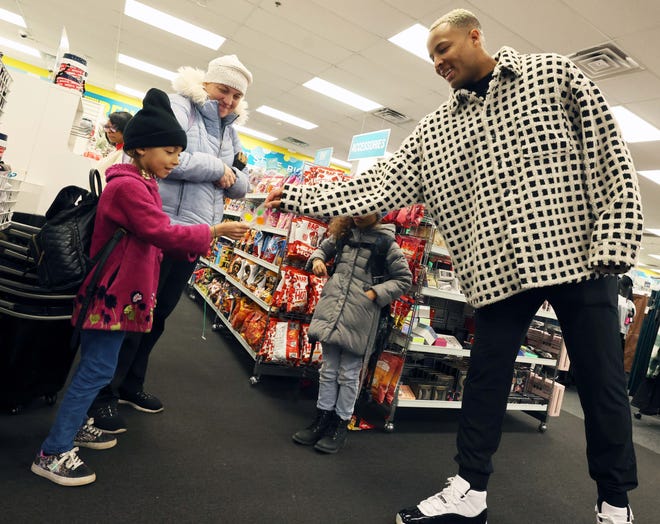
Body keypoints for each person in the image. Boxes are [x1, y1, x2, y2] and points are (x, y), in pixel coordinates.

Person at [266, 8, 643, 524]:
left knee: (602, 385)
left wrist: (615, 240)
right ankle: (469, 493)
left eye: (443, 49)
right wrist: (294, 196)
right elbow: (377, 185)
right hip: (498, 273)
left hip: (577, 258)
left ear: (475, 35)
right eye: (431, 57)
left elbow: (608, 151)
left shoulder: (553, 73)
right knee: (485, 381)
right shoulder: (436, 130)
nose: (437, 62)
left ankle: (615, 505)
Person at [30, 88, 250, 487]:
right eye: (169, 150)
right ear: (142, 148)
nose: (176, 160)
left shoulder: (141, 181)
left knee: (99, 369)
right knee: (95, 370)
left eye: (178, 152)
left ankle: (74, 429)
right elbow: (160, 230)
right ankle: (53, 452)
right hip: (110, 298)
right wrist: (212, 229)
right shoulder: (130, 187)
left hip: (119, 296)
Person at [88, 55, 253, 433]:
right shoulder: (181, 107)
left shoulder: (230, 130)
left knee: (157, 316)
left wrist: (231, 175)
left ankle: (131, 384)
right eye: (223, 90)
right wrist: (218, 170)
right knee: (132, 312)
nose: (228, 100)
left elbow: (241, 181)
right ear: (207, 84)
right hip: (161, 228)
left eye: (236, 95)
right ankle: (102, 394)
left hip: (195, 235)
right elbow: (167, 159)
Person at [292, 213, 412, 454]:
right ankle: (321, 419)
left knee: (348, 374)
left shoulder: (386, 242)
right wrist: (317, 259)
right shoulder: (343, 234)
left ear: (377, 211)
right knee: (328, 371)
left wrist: (375, 293)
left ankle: (340, 424)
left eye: (364, 210)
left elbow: (404, 279)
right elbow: (321, 250)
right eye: (355, 210)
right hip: (332, 310)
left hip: (360, 316)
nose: (357, 215)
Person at [95, 111, 133, 178]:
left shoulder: (126, 156)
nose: (109, 131)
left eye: (114, 128)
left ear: (126, 129)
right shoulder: (117, 151)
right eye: (107, 127)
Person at [617, 275, 636, 352]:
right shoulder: (631, 305)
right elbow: (628, 322)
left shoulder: (615, 299)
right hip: (622, 338)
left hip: (610, 335)